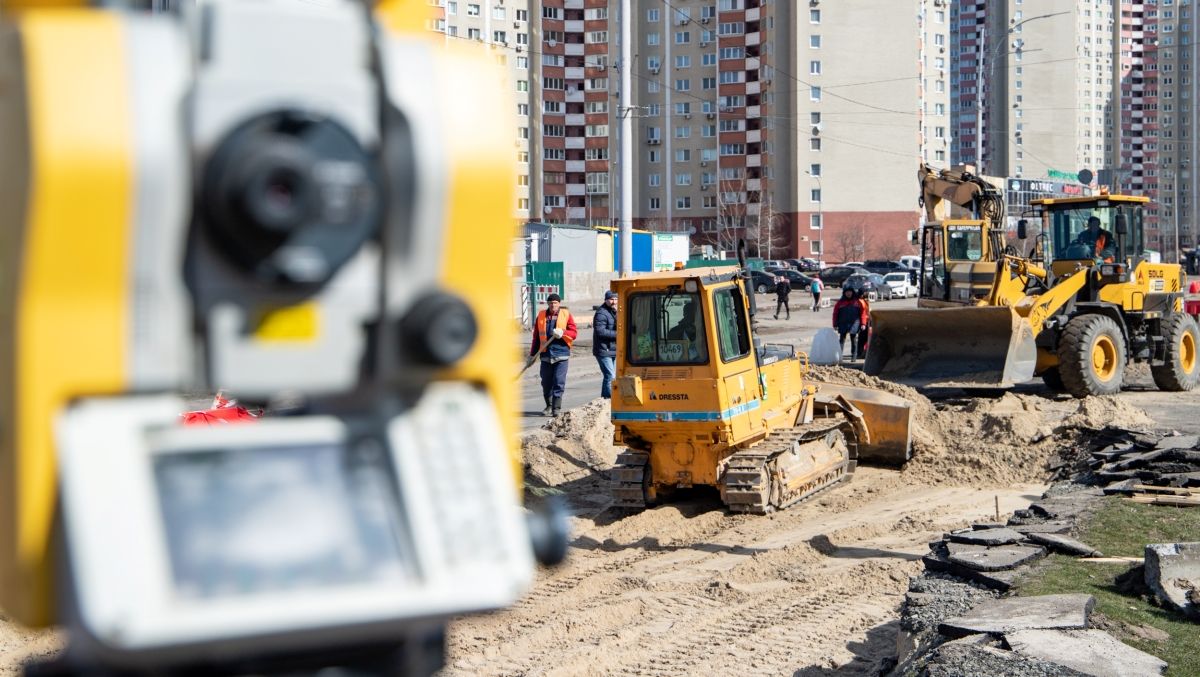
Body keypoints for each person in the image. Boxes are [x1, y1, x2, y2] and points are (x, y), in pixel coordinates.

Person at [530, 293, 577, 417]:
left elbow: (574, 333)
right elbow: (536, 338)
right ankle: (549, 405)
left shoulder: (566, 314)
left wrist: (563, 332)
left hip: (561, 354)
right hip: (545, 354)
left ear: (559, 304)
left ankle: (556, 408)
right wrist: (532, 355)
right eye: (550, 303)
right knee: (546, 383)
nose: (553, 305)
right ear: (548, 303)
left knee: (558, 381)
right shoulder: (541, 316)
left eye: (555, 303)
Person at [593, 290, 618, 399]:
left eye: (616, 299)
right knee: (610, 375)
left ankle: (604, 399)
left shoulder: (616, 311)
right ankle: (610, 399)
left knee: (610, 376)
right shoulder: (601, 313)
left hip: (613, 349)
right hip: (603, 350)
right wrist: (618, 334)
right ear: (606, 300)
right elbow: (600, 331)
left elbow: (620, 324)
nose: (614, 302)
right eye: (611, 299)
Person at [832, 287, 865, 361]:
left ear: (852, 292)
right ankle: (839, 356)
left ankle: (854, 356)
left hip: (855, 323)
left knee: (853, 339)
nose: (848, 293)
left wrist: (863, 323)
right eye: (847, 292)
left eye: (850, 292)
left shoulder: (857, 302)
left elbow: (862, 313)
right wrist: (835, 324)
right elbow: (835, 314)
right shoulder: (840, 303)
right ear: (844, 293)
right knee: (842, 339)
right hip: (843, 323)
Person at [855, 288, 871, 359]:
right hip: (862, 322)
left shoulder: (864, 300)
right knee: (862, 339)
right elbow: (862, 313)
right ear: (862, 293)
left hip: (866, 321)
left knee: (865, 338)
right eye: (866, 292)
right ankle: (860, 353)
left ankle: (862, 352)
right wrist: (863, 323)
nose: (867, 293)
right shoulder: (859, 301)